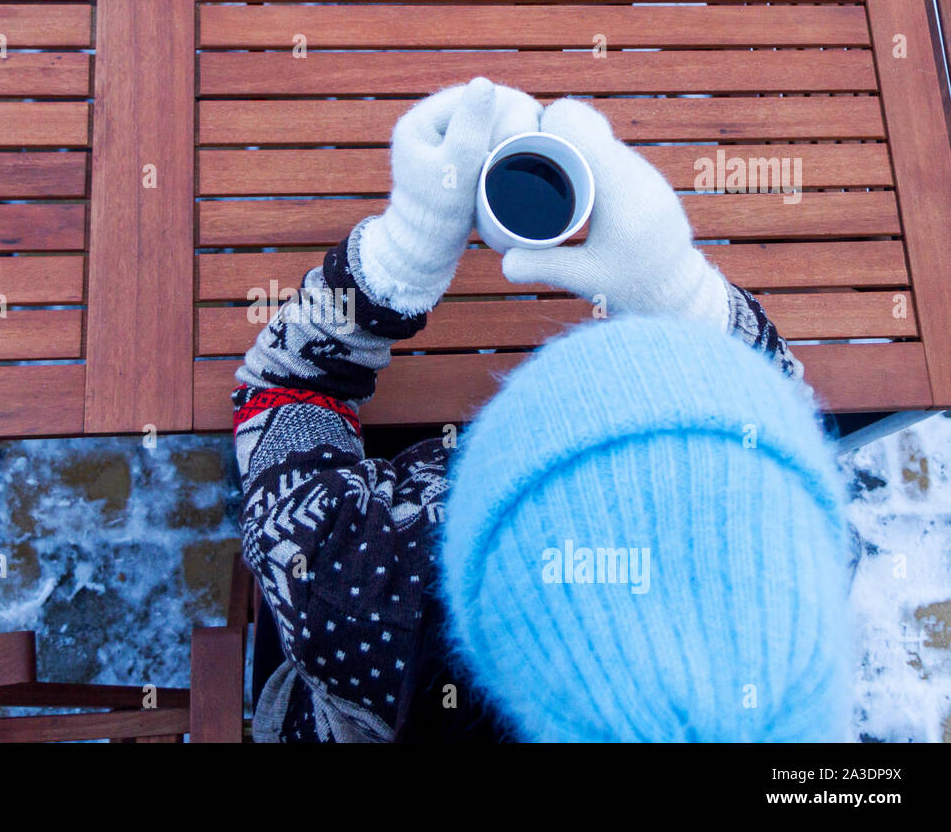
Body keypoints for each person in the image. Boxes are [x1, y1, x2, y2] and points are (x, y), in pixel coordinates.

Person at [232, 78, 851, 742]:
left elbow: (286, 392)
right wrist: (677, 287)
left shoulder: (350, 591)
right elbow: (787, 430)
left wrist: (398, 260)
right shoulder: (801, 589)